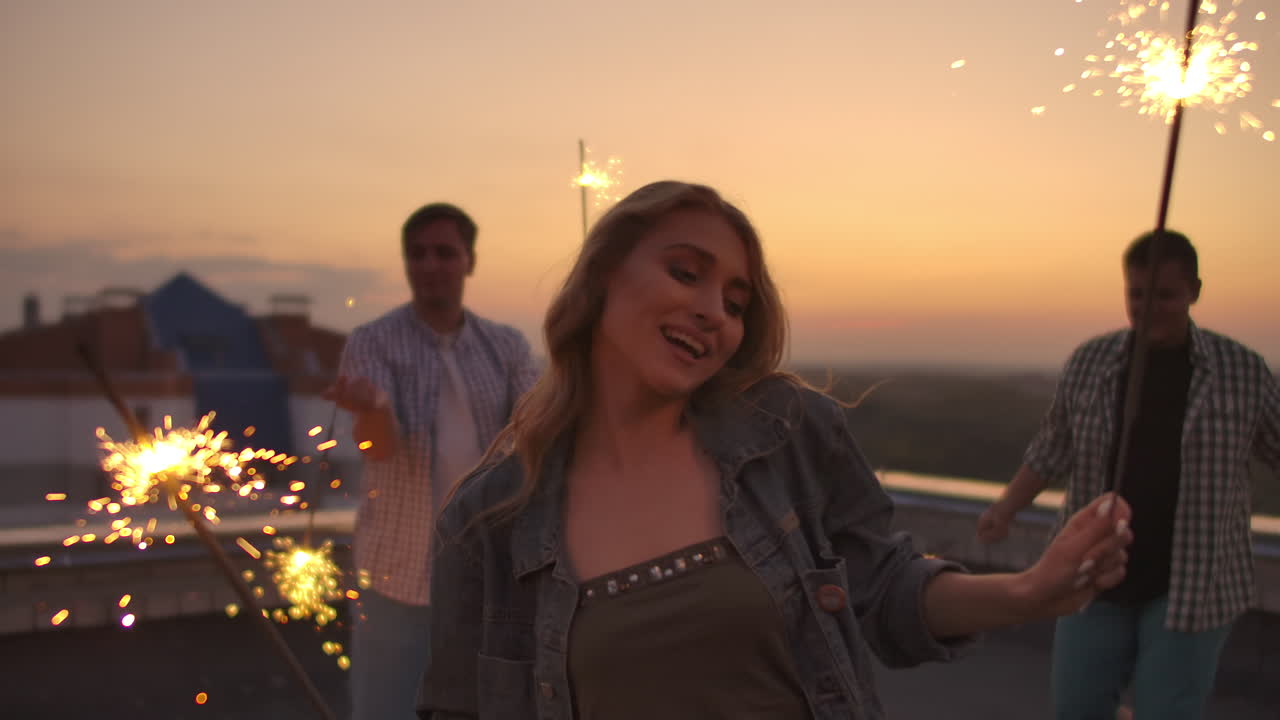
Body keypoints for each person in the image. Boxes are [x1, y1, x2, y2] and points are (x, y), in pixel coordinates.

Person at [417, 181, 1133, 720]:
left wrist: (1030, 592)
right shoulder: (489, 520)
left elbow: (881, 591)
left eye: (736, 301)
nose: (713, 313)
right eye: (687, 272)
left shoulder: (787, 434)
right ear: (604, 276)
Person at [977, 230, 1280, 719]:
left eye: (1165, 295)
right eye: (1136, 294)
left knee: (1166, 711)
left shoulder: (1240, 370)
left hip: (1193, 583)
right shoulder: (1091, 362)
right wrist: (1004, 510)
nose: (1148, 307)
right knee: (1077, 708)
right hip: (1092, 571)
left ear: (1194, 291)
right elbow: (1052, 449)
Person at [325, 202, 539, 720]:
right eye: (418, 254)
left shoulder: (505, 346)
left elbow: (538, 437)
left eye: (444, 252)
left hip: (490, 575)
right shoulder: (373, 342)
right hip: (399, 577)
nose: (430, 265)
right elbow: (379, 449)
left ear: (469, 260)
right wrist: (372, 411)